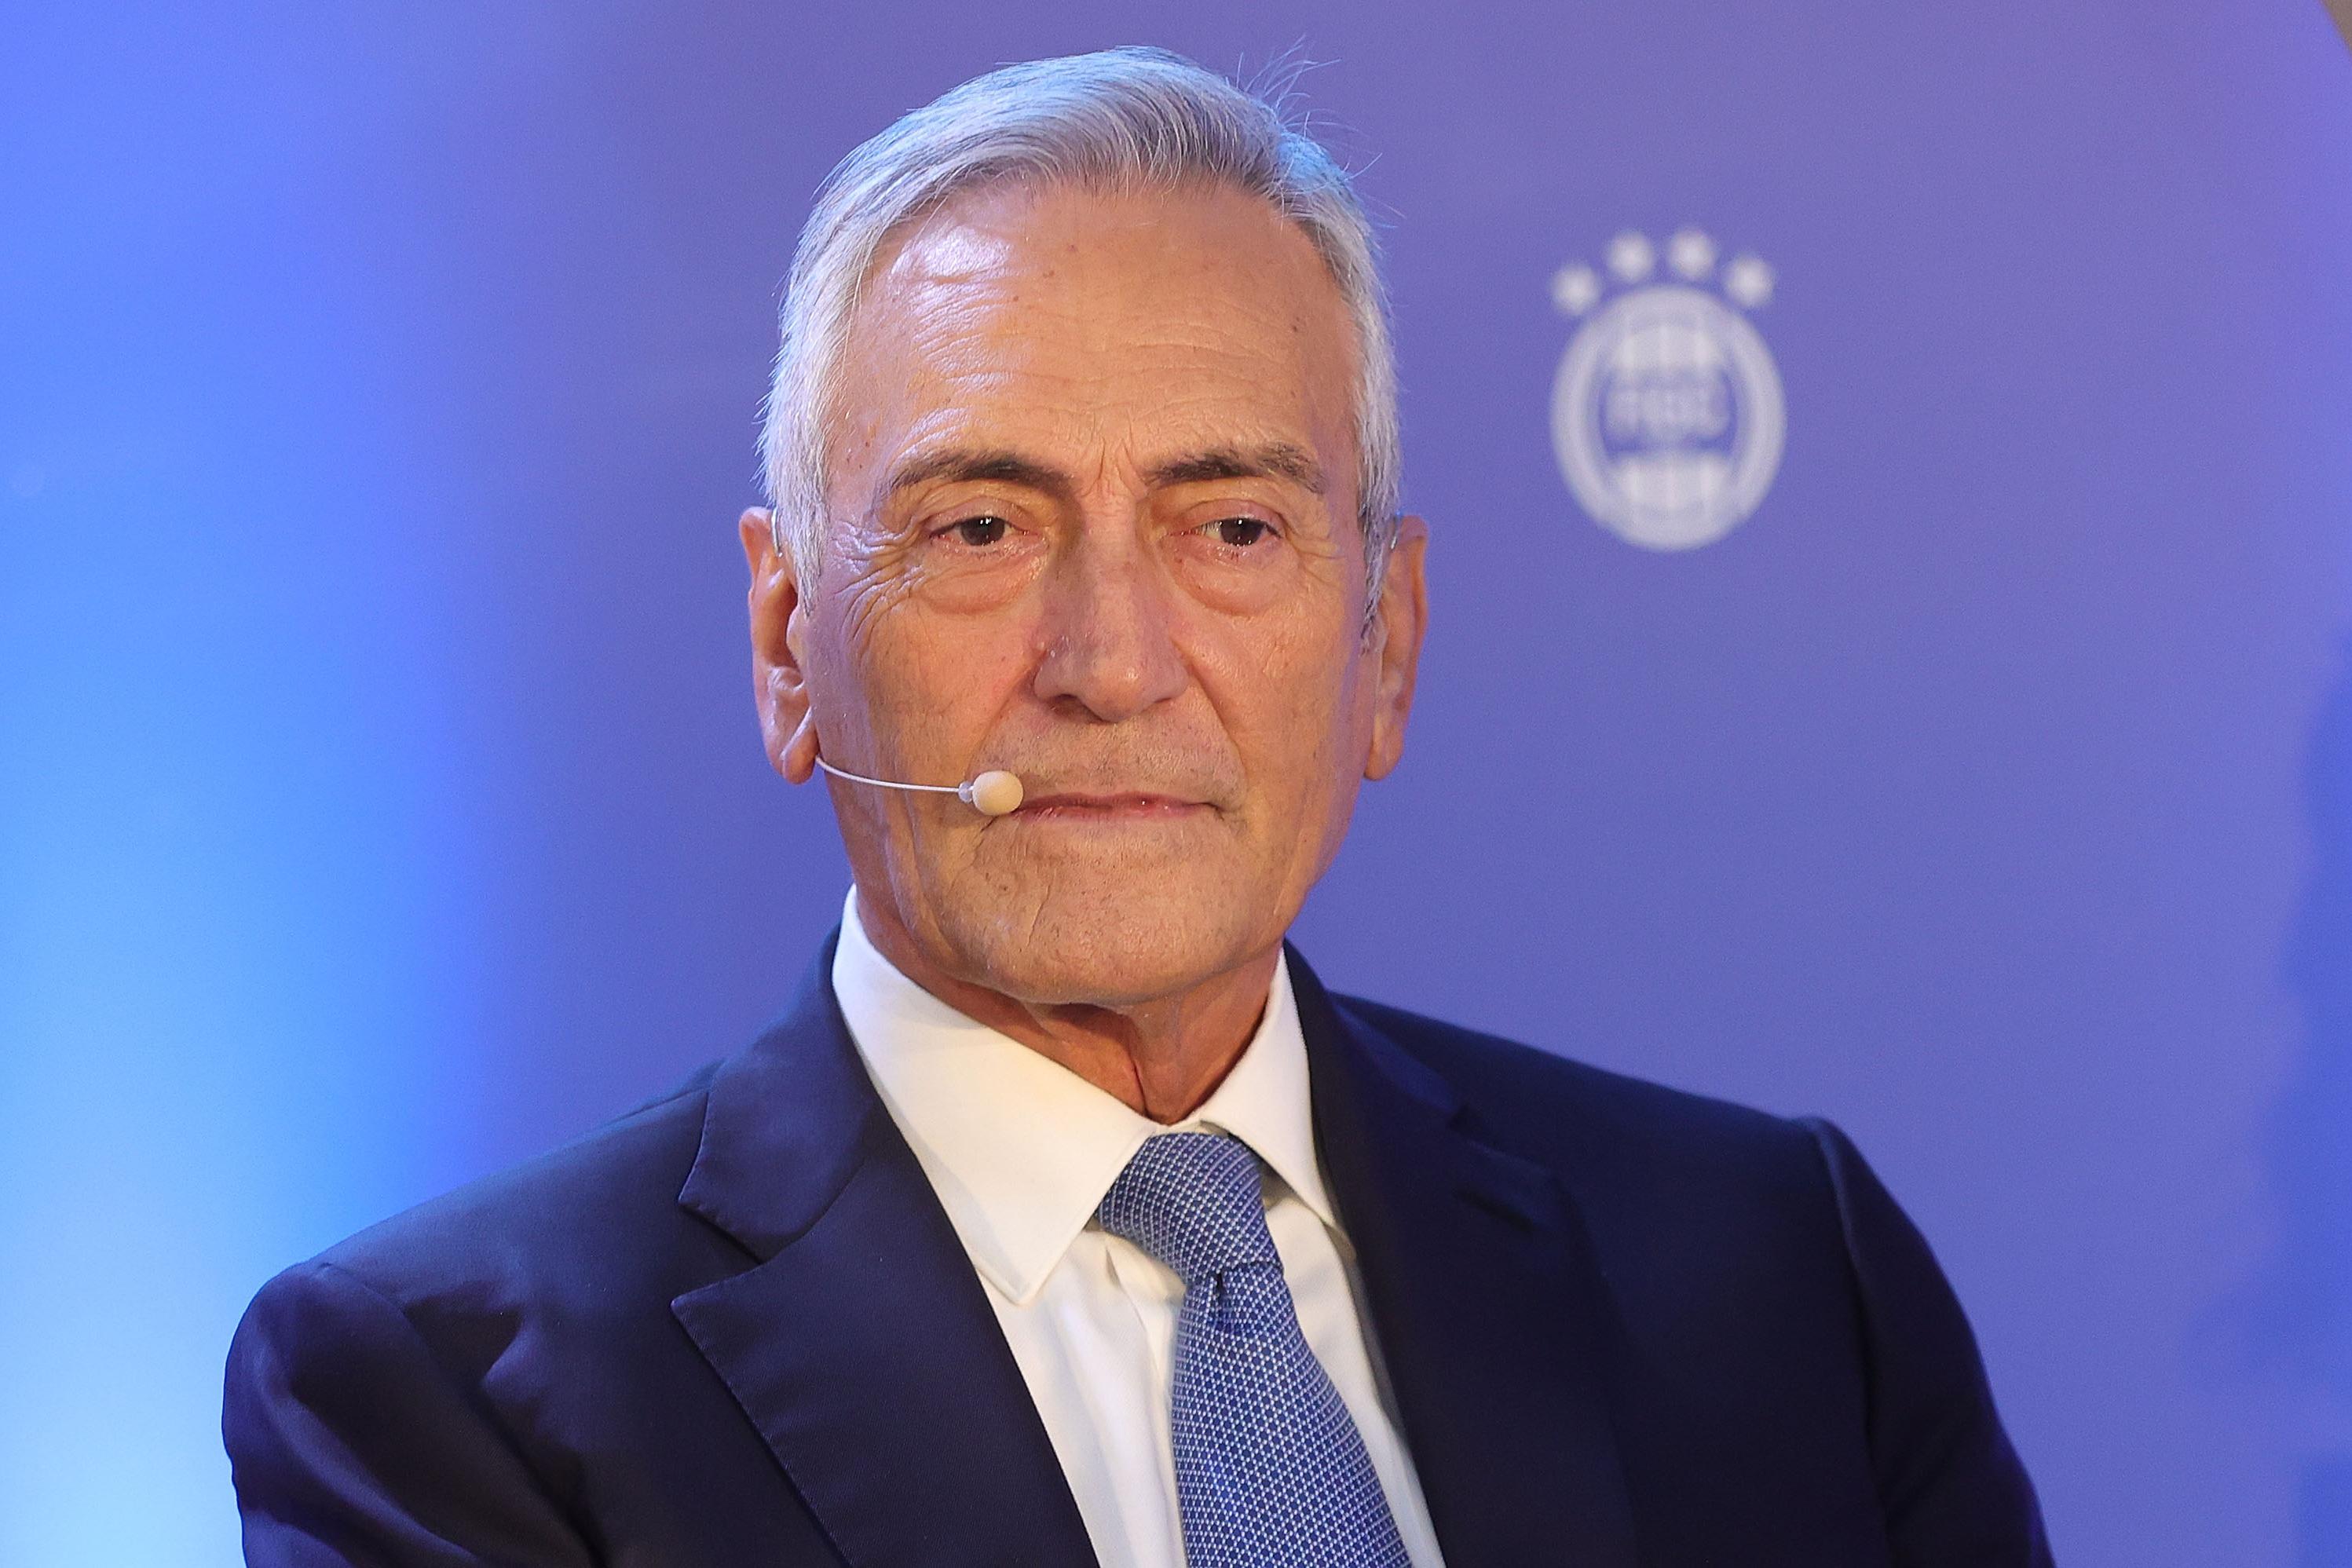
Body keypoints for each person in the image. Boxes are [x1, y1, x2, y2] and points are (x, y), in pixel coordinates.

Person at [223, 46, 2050, 1567]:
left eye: (1232, 527)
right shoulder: (449, 1396)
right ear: (790, 645)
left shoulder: (1773, 1275)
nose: (1111, 662)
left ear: (1385, 643)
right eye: (983, 529)